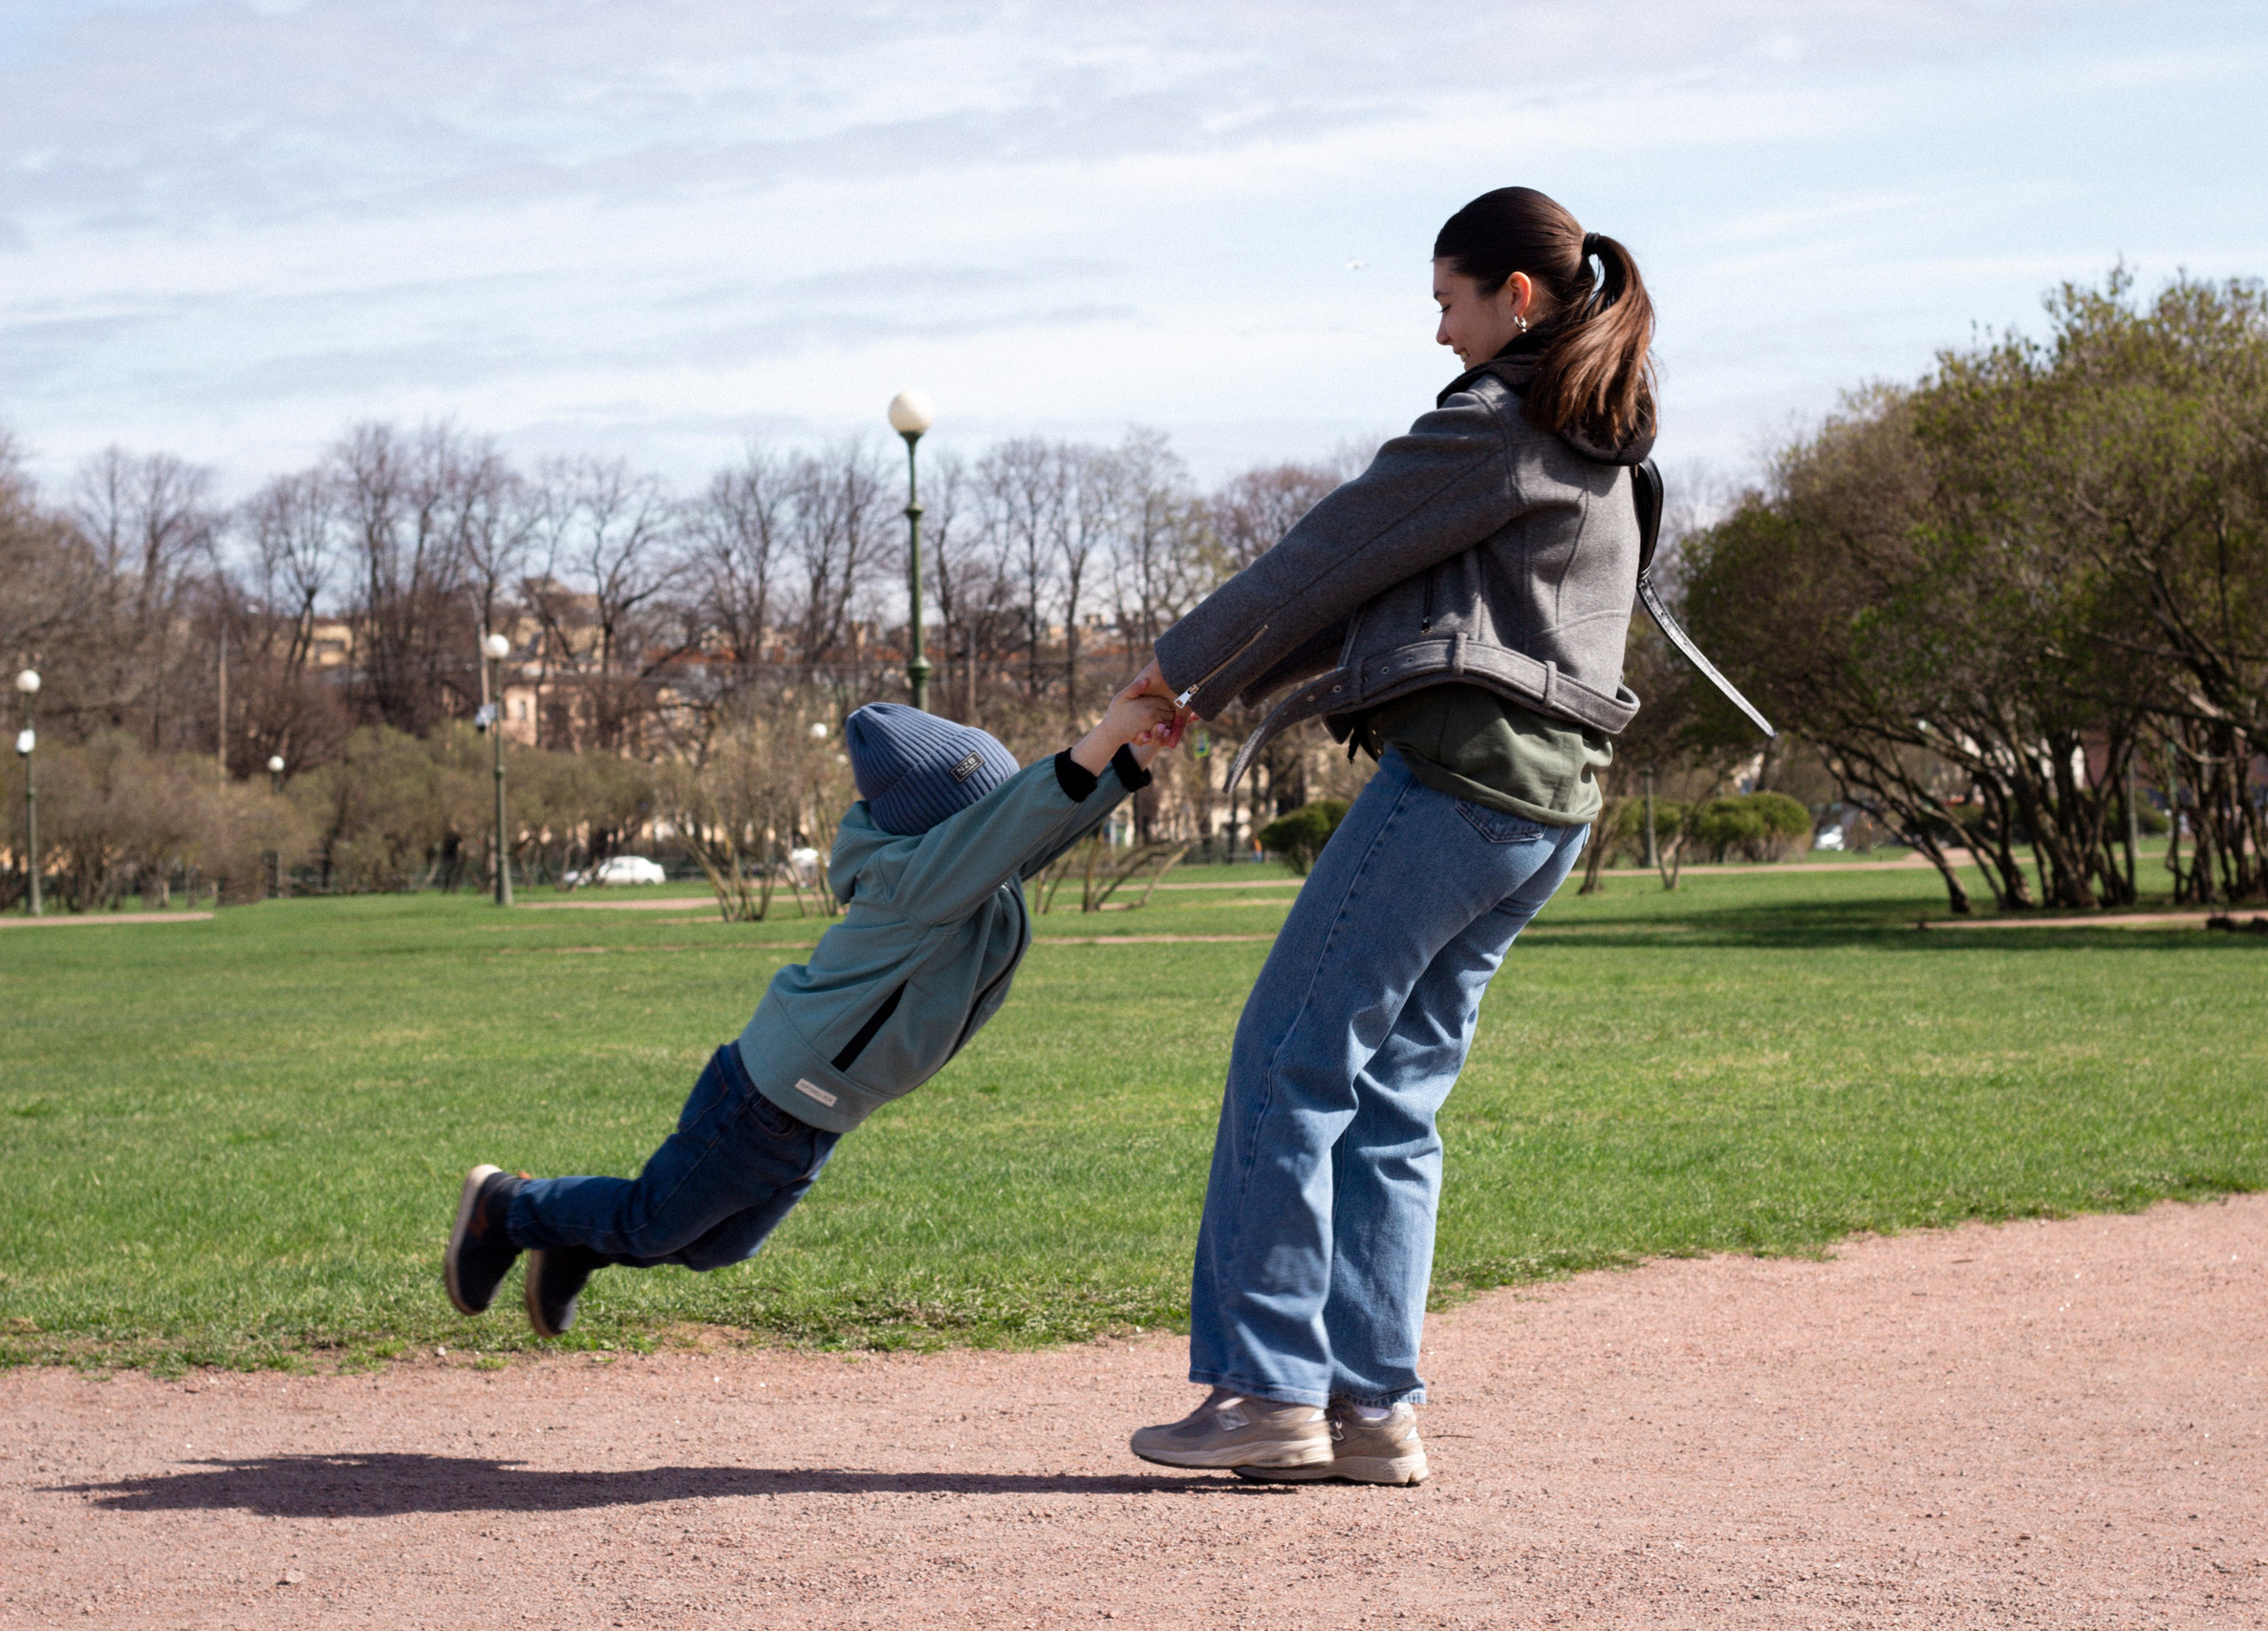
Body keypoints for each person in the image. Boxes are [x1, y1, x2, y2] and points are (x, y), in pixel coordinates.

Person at [1121, 187, 1660, 1486]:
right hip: (1548, 815)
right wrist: (1218, 687)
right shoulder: (1603, 434)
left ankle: (1268, 1389)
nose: (1439, 332)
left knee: (1288, 1064)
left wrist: (1167, 679)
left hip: (1460, 793)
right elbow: (1366, 592)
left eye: (1447, 302)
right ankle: (1372, 1409)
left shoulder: (1496, 423)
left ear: (1513, 298)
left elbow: (1321, 555)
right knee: (1394, 1101)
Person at [443, 694, 1172, 1338]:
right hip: (769, 1097)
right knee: (650, 1220)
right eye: (987, 809)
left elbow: (1033, 831)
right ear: (949, 828)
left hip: (813, 1107)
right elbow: (1015, 825)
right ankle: (507, 1206)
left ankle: (575, 1236)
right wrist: (1103, 735)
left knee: (718, 1245)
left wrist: (1130, 758)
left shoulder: (960, 877)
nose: (1003, 827)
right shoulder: (913, 882)